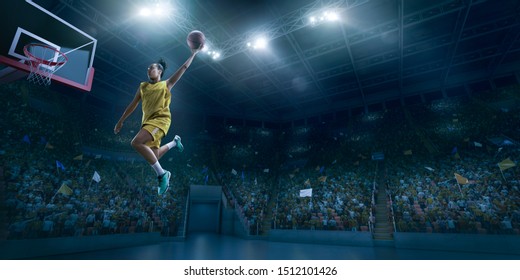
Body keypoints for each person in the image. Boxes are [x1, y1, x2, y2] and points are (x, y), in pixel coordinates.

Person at [114, 46, 202, 195]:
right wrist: (121, 120)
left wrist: (193, 54)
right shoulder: (143, 86)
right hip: (148, 122)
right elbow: (133, 104)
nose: (149, 70)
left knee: (136, 142)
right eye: (148, 69)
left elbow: (184, 67)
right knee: (154, 157)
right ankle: (175, 142)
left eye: (152, 68)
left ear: (159, 71)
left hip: (160, 120)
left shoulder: (166, 84)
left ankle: (162, 175)